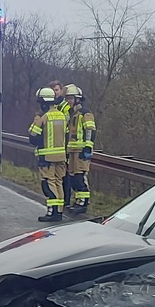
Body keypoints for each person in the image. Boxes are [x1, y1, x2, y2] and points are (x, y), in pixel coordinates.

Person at [28, 87, 68, 222]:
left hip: (47, 157)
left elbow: (33, 136)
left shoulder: (43, 117)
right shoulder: (62, 115)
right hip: (61, 156)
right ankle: (59, 211)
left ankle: (52, 212)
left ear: (44, 103)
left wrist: (37, 118)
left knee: (48, 183)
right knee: (58, 182)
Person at [63, 84, 96, 214]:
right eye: (68, 99)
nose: (69, 101)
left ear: (77, 99)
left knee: (80, 177)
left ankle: (83, 203)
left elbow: (90, 130)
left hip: (81, 151)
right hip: (72, 151)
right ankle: (77, 202)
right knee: (72, 178)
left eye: (71, 99)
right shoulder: (71, 114)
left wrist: (88, 147)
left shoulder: (85, 113)